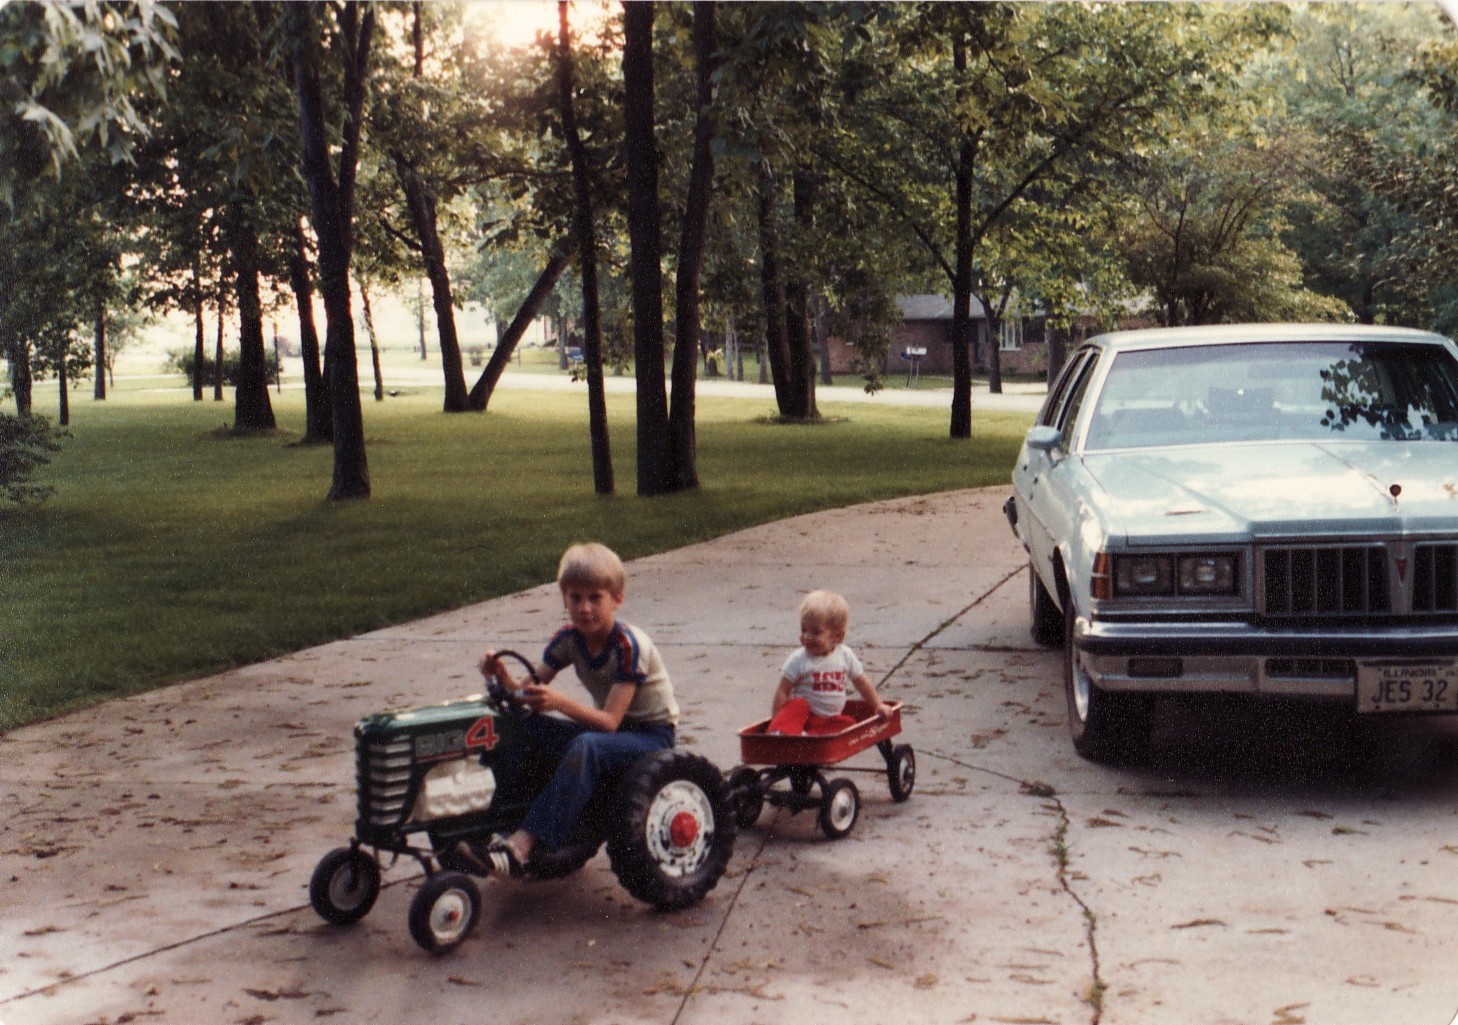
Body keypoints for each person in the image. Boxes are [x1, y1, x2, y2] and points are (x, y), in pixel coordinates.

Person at [459, 542, 678, 877]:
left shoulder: (629, 647)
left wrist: (559, 702)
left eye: (595, 598)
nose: (585, 608)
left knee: (587, 745)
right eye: (575, 598)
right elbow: (527, 692)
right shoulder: (569, 639)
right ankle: (494, 823)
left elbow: (610, 722)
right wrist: (503, 676)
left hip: (649, 736)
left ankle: (523, 844)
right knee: (519, 725)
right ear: (564, 599)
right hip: (609, 733)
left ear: (616, 600)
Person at [766, 589, 891, 735]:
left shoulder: (845, 655)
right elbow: (783, 690)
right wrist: (777, 719)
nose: (807, 636)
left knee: (848, 723)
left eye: (816, 632)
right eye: (803, 630)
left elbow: (862, 683)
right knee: (797, 704)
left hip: (829, 719)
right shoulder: (799, 659)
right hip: (805, 717)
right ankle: (781, 732)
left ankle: (810, 737)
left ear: (837, 636)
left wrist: (878, 705)